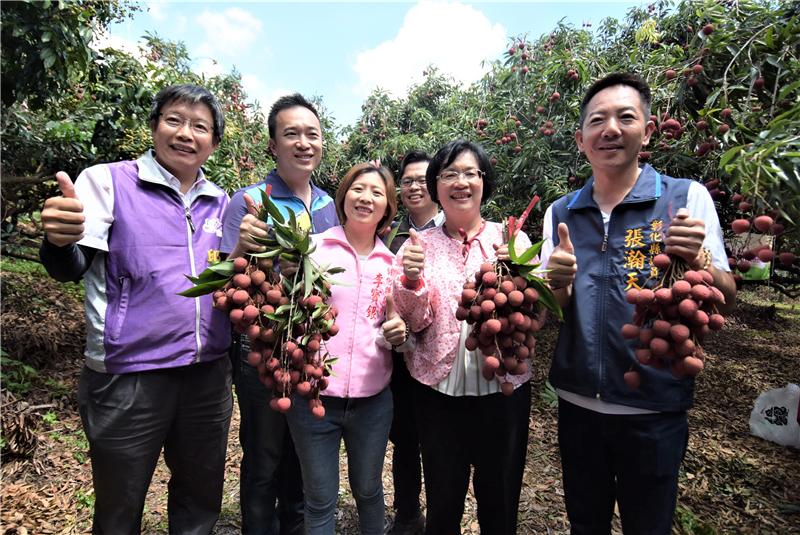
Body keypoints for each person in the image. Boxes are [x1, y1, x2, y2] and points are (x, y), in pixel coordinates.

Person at [540, 72, 737, 534]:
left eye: (625, 117)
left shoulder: (686, 199)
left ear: (647, 130)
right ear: (581, 139)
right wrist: (557, 283)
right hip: (578, 405)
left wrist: (700, 257)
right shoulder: (560, 213)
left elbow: (726, 294)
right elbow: (555, 309)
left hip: (654, 408)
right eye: (597, 121)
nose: (610, 129)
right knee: (584, 525)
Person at [39, 84, 232, 533]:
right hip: (129, 375)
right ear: (153, 126)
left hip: (206, 376)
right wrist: (58, 240)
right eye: (174, 120)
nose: (186, 133)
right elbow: (71, 266)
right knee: (120, 504)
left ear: (214, 143)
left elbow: (232, 278)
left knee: (200, 500)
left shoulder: (221, 202)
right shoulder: (108, 181)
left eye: (200, 126)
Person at [236, 162, 408, 534]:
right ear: (344, 196)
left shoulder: (392, 264)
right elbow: (275, 297)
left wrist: (397, 331)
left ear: (388, 207)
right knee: (319, 498)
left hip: (373, 402)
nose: (366, 198)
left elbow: (395, 322)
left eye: (377, 193)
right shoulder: (312, 249)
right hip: (313, 398)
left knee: (368, 490)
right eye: (358, 189)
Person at [393, 140, 533, 535]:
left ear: (484, 183)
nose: (460, 182)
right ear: (436, 187)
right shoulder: (416, 246)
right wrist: (411, 278)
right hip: (437, 396)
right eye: (449, 174)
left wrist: (521, 271)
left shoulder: (513, 240)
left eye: (470, 173)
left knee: (500, 502)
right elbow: (414, 322)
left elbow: (532, 314)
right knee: (443, 503)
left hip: (503, 392)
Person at [220, 94, 339, 534]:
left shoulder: (330, 205)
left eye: (312, 134)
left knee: (301, 452)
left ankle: (294, 524)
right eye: (292, 134)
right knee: (264, 455)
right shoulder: (248, 201)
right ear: (272, 144)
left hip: (308, 345)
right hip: (263, 347)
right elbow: (230, 282)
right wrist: (263, 261)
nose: (303, 143)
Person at [384, 150, 443, 535]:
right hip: (401, 362)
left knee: (439, 446)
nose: (414, 186)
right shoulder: (391, 236)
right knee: (405, 440)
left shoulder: (455, 230)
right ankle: (407, 516)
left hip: (443, 360)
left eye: (423, 179)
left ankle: (442, 517)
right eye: (407, 181)